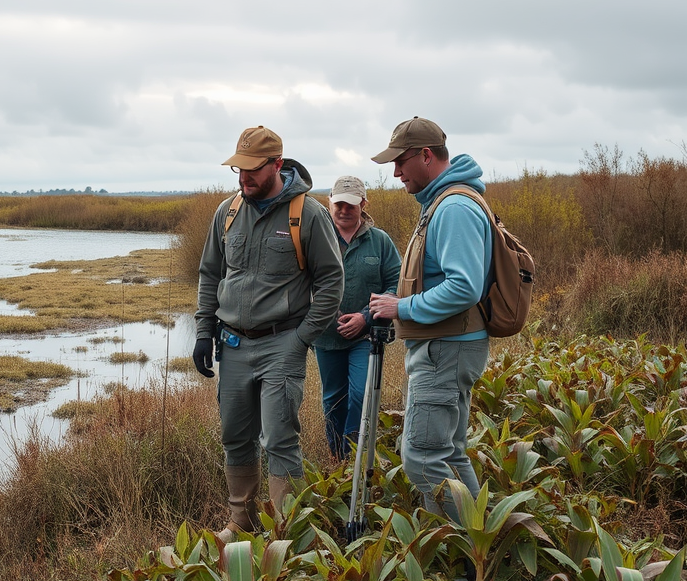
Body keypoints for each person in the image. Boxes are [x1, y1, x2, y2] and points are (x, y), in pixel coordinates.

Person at [194, 126, 344, 540]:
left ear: (277, 164)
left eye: (253, 170)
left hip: (284, 342)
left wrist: (302, 339)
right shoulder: (226, 212)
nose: (243, 179)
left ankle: (285, 532)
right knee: (235, 435)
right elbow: (210, 274)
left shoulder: (307, 214)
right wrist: (204, 332)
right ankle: (240, 521)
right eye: (238, 170)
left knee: (279, 437)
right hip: (233, 345)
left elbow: (332, 281)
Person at [367, 117, 492, 522]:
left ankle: (469, 553)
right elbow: (441, 279)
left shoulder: (453, 207)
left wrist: (400, 309)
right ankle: (467, 551)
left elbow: (463, 288)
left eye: (401, 162)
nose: (396, 172)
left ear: (425, 155)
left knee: (420, 458)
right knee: (448, 455)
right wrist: (396, 297)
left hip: (446, 350)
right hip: (446, 347)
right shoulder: (442, 202)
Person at [312, 176, 400, 461]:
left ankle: (354, 457)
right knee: (333, 401)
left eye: (351, 205)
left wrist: (365, 317)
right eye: (338, 204)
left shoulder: (380, 242)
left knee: (361, 396)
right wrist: (320, 308)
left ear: (363, 204)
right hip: (325, 336)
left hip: (366, 337)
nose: (344, 210)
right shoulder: (316, 239)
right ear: (329, 202)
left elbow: (396, 284)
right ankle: (338, 460)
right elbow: (299, 283)